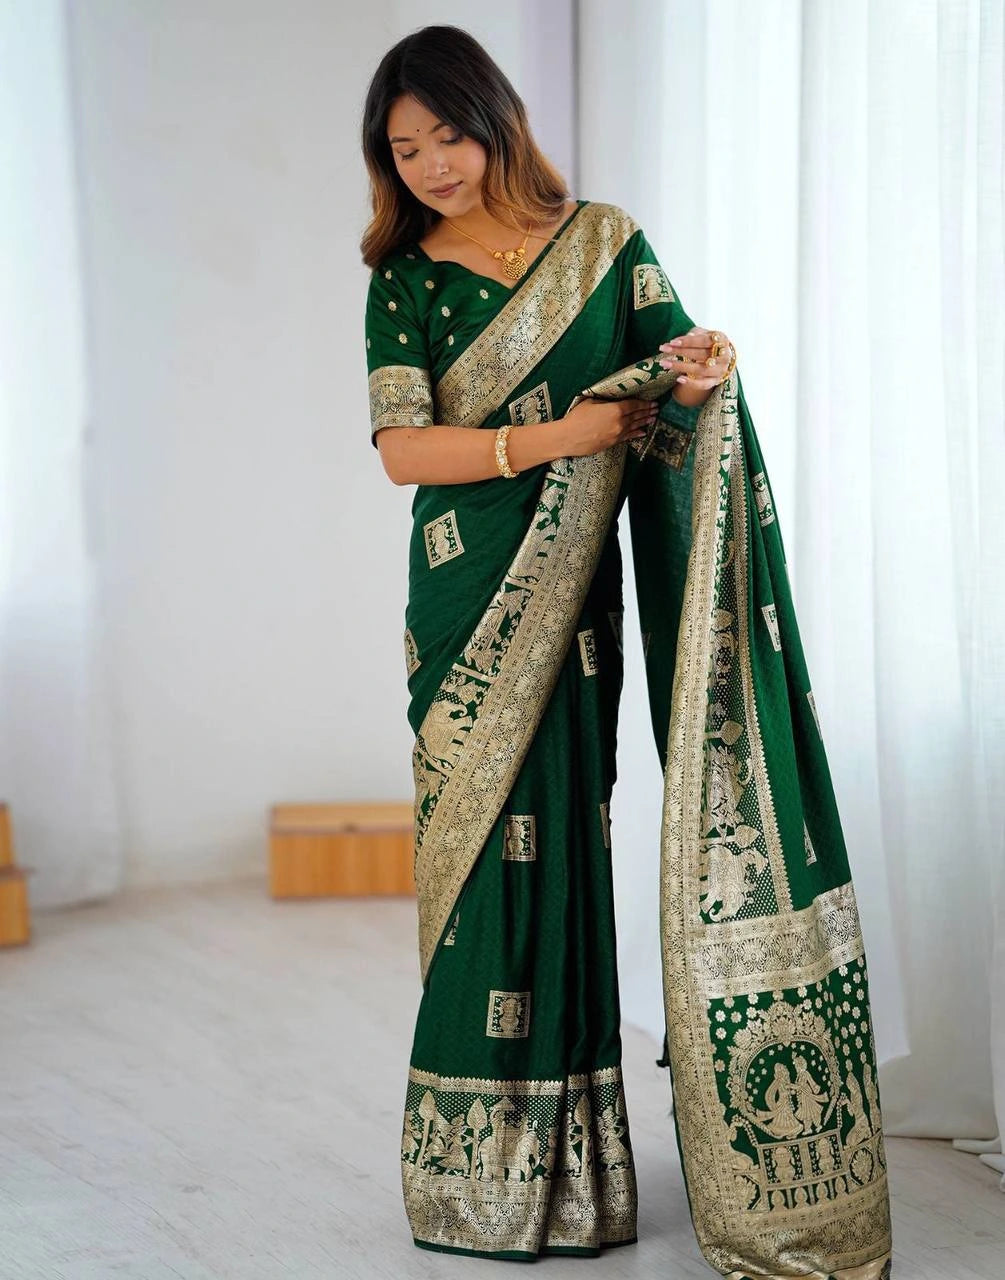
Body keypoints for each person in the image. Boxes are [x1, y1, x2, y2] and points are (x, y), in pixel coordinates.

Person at [360, 25, 893, 1279]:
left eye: (448, 132)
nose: (433, 164)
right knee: (485, 853)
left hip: (579, 595)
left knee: (566, 834)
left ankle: (578, 1176)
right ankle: (474, 1179)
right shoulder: (405, 276)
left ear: (498, 116)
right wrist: (552, 440)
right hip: (466, 596)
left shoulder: (604, 239)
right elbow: (401, 452)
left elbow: (675, 384)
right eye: (404, 147)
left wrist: (702, 368)